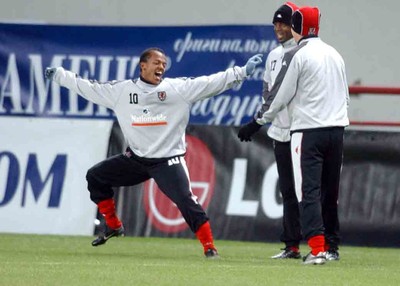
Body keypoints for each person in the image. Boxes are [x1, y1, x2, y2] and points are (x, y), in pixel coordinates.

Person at [45, 47, 263, 258]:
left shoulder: (177, 89)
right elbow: (88, 87)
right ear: (143, 66)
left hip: (168, 160)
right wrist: (61, 76)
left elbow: (211, 82)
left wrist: (241, 72)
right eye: (157, 62)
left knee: (186, 201)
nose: (162, 66)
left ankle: (209, 247)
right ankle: (113, 225)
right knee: (95, 176)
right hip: (137, 159)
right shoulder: (121, 91)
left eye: (164, 64)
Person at [238, 6, 349, 265]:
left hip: (307, 132)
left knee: (306, 191)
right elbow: (344, 95)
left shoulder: (296, 55)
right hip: (337, 130)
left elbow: (279, 95)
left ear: (297, 26)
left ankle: (318, 249)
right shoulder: (335, 54)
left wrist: (256, 122)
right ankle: (331, 247)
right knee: (330, 192)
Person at [263, 1, 303, 260]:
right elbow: (267, 91)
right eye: (276, 23)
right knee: (288, 191)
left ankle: (322, 244)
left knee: (308, 192)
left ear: (294, 26)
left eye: (284, 23)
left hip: (301, 131)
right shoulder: (273, 56)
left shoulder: (302, 53)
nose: (279, 27)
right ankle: (292, 246)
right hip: (279, 133)